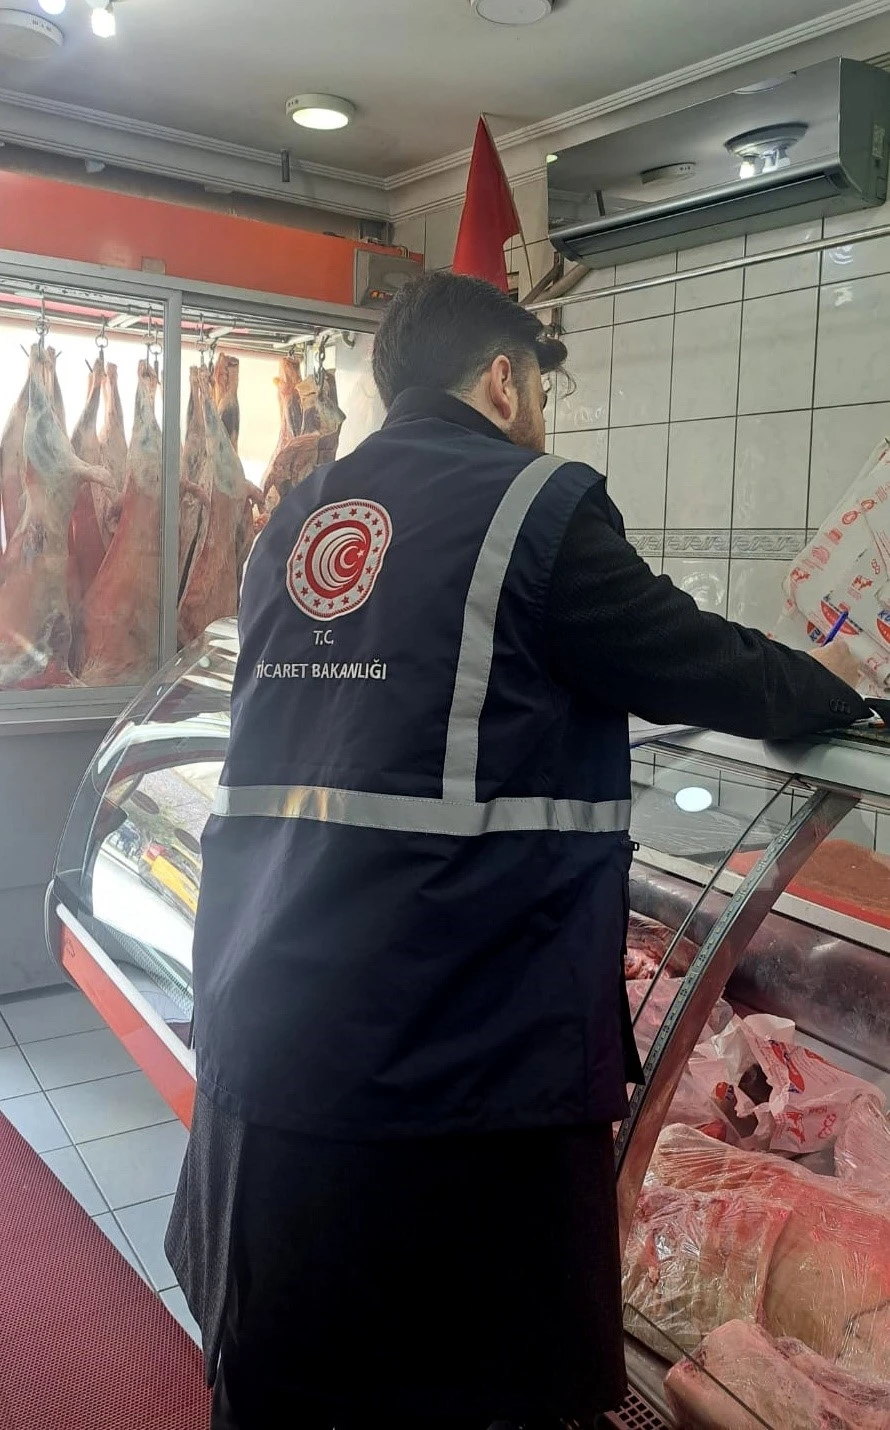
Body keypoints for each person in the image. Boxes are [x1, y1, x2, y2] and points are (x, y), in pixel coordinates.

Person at [166, 272, 866, 1430]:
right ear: (503, 379)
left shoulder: (301, 513)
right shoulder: (528, 504)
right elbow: (696, 662)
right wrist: (833, 686)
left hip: (267, 1035)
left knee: (285, 1385)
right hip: (446, 1066)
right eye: (539, 385)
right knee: (469, 1395)